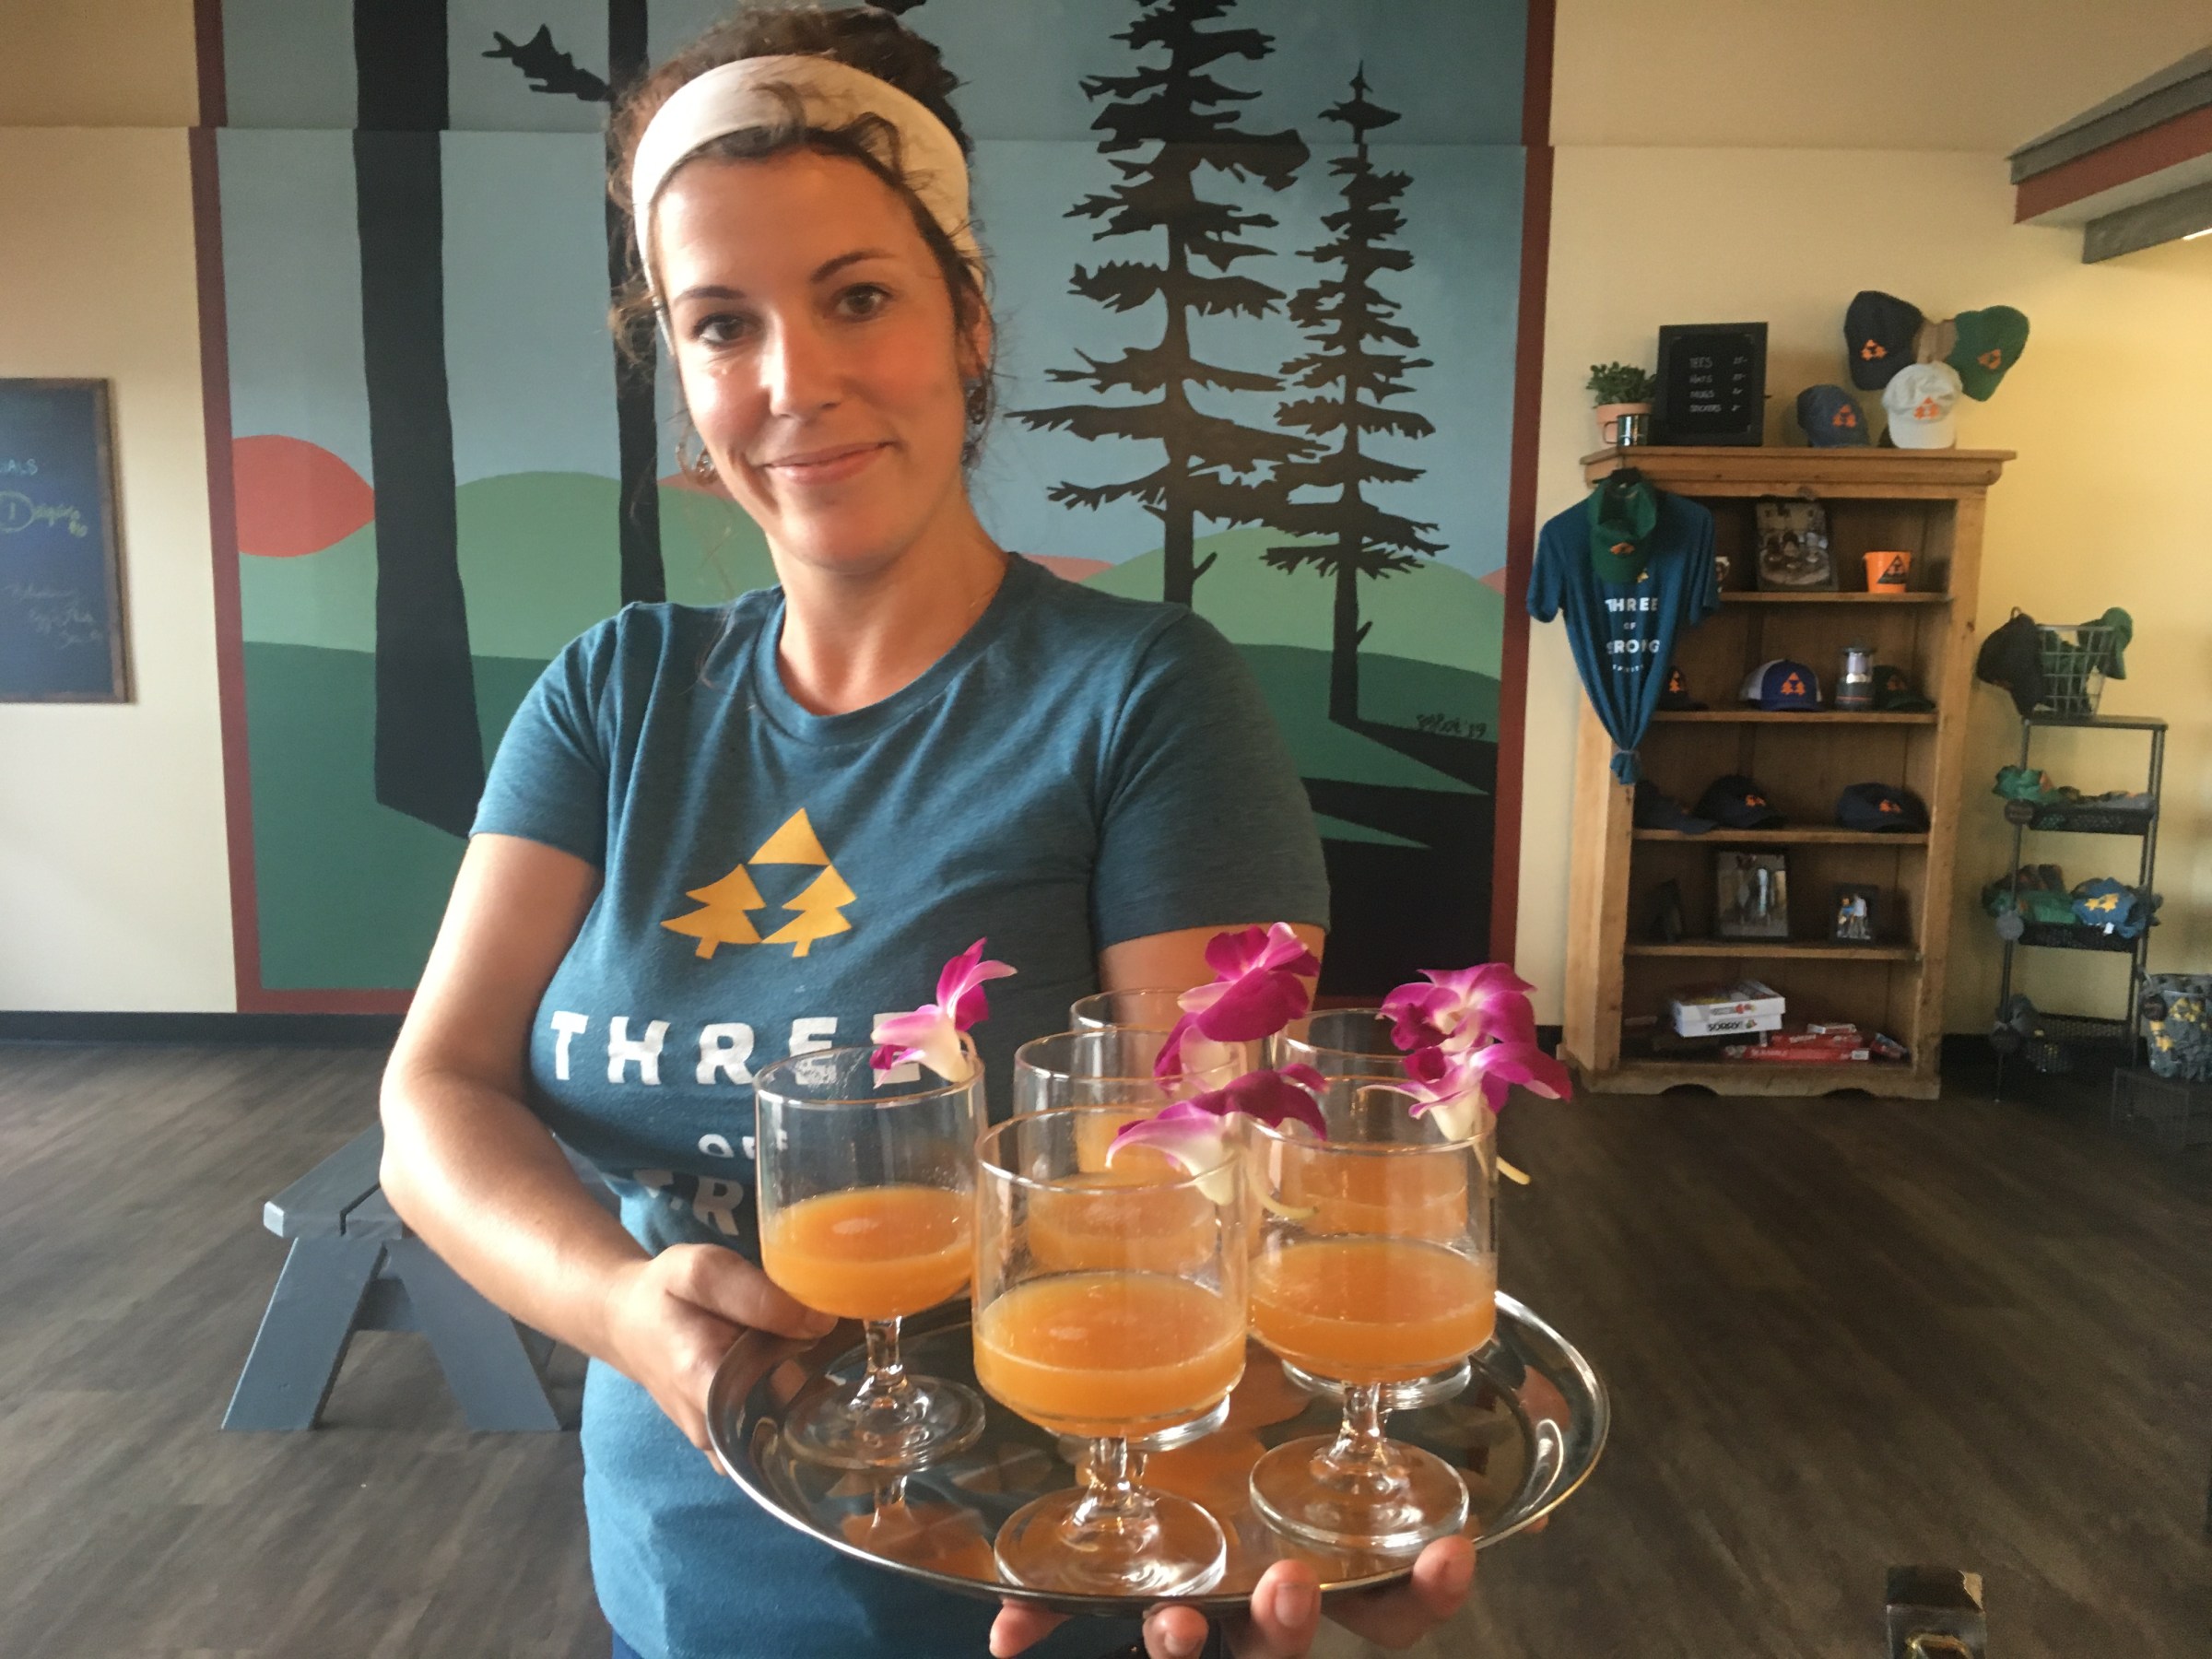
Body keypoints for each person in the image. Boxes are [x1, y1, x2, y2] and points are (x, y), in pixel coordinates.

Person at [379, 6, 1476, 1657]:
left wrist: (1254, 1546)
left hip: (1038, 1565)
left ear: (968, 320)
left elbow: (1207, 1180)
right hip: (682, 1555)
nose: (791, 383)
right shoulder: (619, 694)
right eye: (720, 325)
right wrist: (628, 1314)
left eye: (858, 298)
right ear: (678, 373)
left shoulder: (1140, 700)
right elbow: (431, 1099)